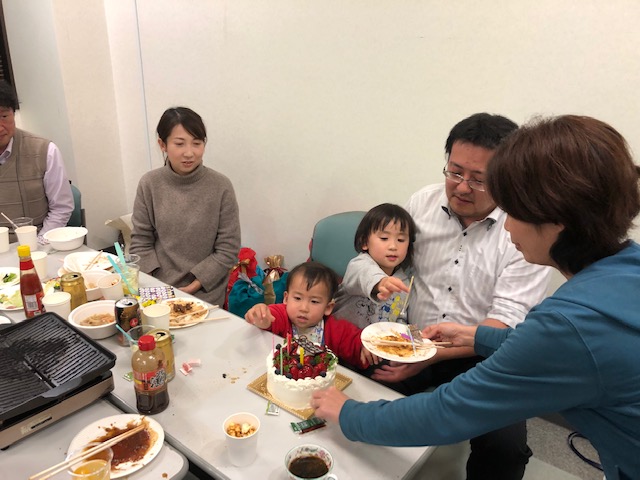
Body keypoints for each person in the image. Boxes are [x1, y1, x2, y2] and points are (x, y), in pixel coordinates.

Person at [312, 115, 640, 480]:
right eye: (455, 172)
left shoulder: (569, 324)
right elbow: (550, 345)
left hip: (473, 360)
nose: (508, 225)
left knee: (501, 446)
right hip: (426, 338)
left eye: (514, 210)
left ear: (556, 218)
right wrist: (477, 336)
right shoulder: (627, 268)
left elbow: (447, 412)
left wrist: (349, 414)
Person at [366, 113, 552, 480]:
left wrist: (432, 355)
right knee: (365, 392)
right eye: (455, 172)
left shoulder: (525, 229)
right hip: (412, 339)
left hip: (486, 353)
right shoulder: (422, 203)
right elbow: (390, 266)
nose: (462, 187)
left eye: (479, 179)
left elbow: (506, 320)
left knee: (505, 448)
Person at [131, 107, 240, 307]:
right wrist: (157, 285)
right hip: (158, 289)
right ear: (162, 144)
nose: (189, 153)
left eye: (197, 143)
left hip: (205, 292)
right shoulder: (149, 183)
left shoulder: (221, 186)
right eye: (179, 144)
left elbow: (228, 249)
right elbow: (141, 241)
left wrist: (194, 286)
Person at [245, 261, 378, 370]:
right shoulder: (282, 315)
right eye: (297, 298)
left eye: (314, 301)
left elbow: (356, 343)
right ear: (286, 298)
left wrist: (365, 347)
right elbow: (269, 319)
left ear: (328, 307)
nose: (304, 308)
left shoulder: (335, 329)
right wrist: (261, 316)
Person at [0, 80, 73, 242]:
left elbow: (61, 208)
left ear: (13, 114)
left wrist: (39, 244)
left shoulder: (44, 150)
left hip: (36, 243)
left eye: (4, 116)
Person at [332, 203, 417, 329]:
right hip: (340, 336)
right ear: (364, 242)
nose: (393, 246)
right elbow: (367, 274)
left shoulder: (404, 283)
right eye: (384, 238)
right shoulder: (359, 264)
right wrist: (381, 282)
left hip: (376, 340)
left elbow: (400, 316)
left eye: (400, 240)